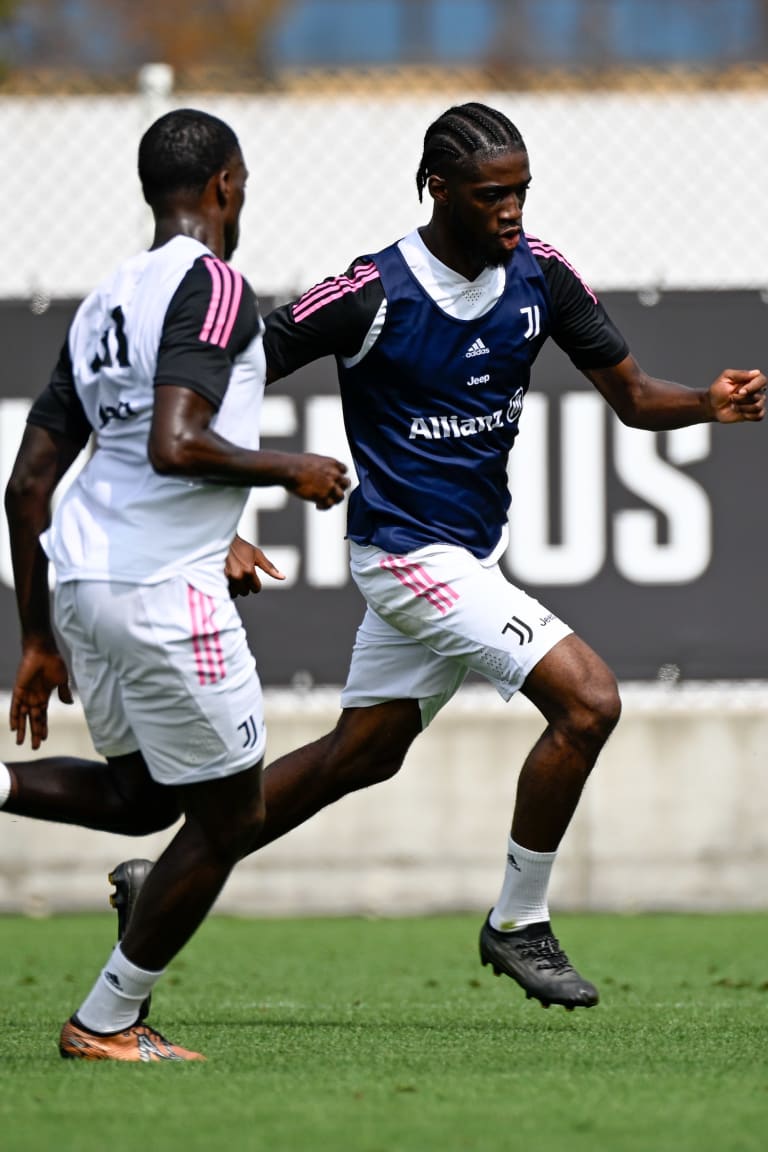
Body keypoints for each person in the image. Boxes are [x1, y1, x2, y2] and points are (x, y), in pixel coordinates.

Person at [8, 102, 766, 1018]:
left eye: (522, 191)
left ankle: (162, 875)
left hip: (469, 557)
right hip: (406, 555)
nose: (513, 211)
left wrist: (708, 404)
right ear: (437, 190)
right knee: (590, 700)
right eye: (492, 195)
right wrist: (217, 518)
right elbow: (224, 380)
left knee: (358, 756)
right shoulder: (369, 291)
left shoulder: (543, 276)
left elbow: (636, 396)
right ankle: (519, 920)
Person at [0, 107, 349, 1062]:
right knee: (234, 812)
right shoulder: (218, 288)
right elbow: (178, 442)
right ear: (226, 185)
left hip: (83, 579)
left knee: (148, 797)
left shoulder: (102, 302)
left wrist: (37, 638)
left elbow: (27, 484)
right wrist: (294, 469)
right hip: (159, 589)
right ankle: (106, 1021)